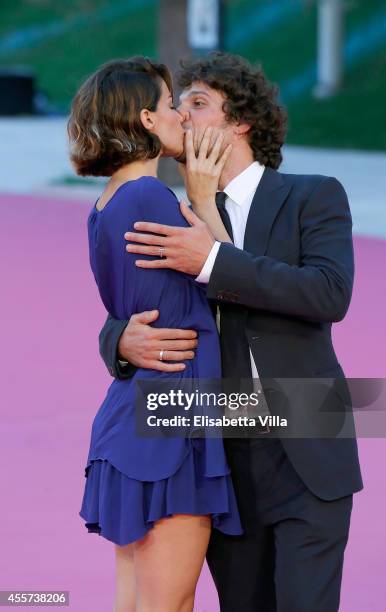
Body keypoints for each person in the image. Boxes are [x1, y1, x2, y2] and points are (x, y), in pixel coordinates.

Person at [100, 52, 363, 612]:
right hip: (218, 453)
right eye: (179, 105)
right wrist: (118, 340)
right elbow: (135, 304)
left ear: (240, 121)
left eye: (198, 103)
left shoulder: (312, 195)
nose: (183, 116)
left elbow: (328, 294)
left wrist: (213, 257)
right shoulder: (166, 211)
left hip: (309, 440)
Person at [67, 56, 243, 612]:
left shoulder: (111, 202)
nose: (181, 119)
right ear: (146, 118)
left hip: (142, 414)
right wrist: (205, 196)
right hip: (169, 421)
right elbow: (230, 289)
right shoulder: (148, 198)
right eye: (172, 106)